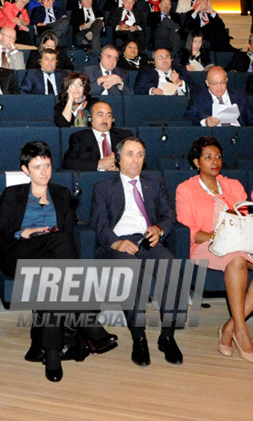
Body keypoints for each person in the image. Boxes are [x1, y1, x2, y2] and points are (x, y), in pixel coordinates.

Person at [0, 141, 117, 382]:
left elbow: (70, 233)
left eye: (47, 165)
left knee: (55, 274)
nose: (43, 171)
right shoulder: (13, 194)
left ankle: (50, 354)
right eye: (37, 166)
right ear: (25, 170)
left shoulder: (62, 194)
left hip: (52, 257)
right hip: (19, 254)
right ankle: (88, 321)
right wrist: (24, 232)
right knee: (59, 241)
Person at [176, 137, 253, 363]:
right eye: (208, 157)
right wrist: (219, 236)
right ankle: (241, 332)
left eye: (218, 157)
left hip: (240, 242)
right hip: (206, 244)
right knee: (237, 259)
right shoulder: (186, 189)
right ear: (196, 162)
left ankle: (229, 327)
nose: (215, 161)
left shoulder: (233, 184)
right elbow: (190, 231)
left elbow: (247, 218)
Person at [90, 137, 184, 367]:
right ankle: (138, 337)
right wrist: (116, 243)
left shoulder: (155, 182)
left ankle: (167, 336)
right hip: (120, 243)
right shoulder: (102, 187)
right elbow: (98, 224)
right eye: (130, 154)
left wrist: (160, 228)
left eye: (140, 154)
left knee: (170, 266)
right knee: (130, 270)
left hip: (149, 240)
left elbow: (169, 214)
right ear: (118, 158)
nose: (136, 159)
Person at [62, 100, 132, 171]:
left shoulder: (125, 136)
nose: (105, 120)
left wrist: (118, 168)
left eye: (109, 116)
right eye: (100, 115)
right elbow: (68, 162)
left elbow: (138, 160)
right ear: (90, 119)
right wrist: (98, 164)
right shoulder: (79, 138)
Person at [183, 66, 253, 126]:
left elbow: (252, 121)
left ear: (227, 80)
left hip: (239, 134)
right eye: (214, 83)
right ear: (207, 83)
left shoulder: (240, 96)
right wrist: (205, 122)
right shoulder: (198, 98)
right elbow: (188, 120)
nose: (219, 87)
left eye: (222, 82)